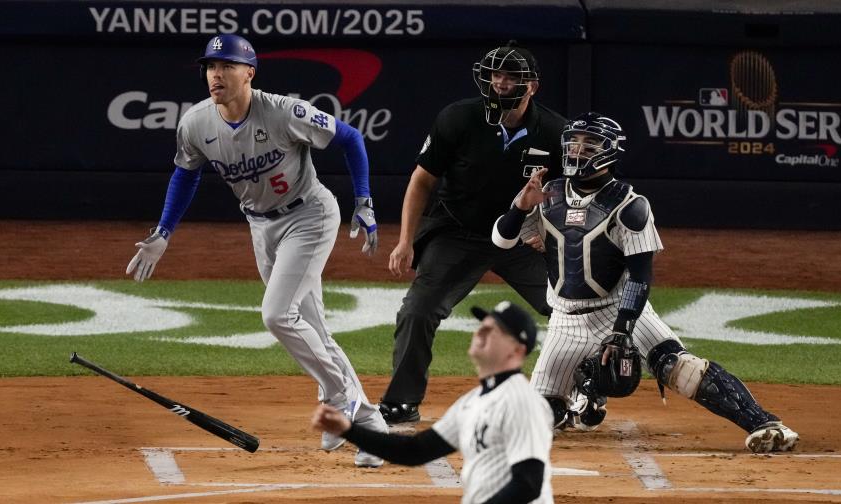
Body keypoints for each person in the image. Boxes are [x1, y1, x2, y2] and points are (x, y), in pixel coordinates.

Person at [124, 34, 387, 467]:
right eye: (210, 67)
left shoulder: (284, 111)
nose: (215, 75)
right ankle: (369, 426)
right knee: (314, 330)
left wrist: (364, 201)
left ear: (249, 72)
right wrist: (163, 231)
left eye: (225, 65)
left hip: (310, 217)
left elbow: (350, 138)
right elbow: (185, 175)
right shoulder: (196, 123)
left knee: (277, 314)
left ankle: (340, 395)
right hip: (261, 228)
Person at [492, 112, 799, 453]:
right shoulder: (546, 194)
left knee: (677, 367)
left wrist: (622, 329)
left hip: (619, 308)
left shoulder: (629, 205)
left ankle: (766, 424)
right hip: (565, 320)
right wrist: (520, 207)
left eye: (589, 144)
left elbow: (640, 274)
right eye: (574, 143)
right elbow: (502, 241)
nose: (578, 151)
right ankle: (586, 390)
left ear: (609, 151)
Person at [380, 41, 568, 424]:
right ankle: (401, 401)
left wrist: (548, 230)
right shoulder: (458, 119)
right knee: (417, 310)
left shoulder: (553, 132)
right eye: (495, 73)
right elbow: (421, 181)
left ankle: (580, 396)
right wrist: (404, 240)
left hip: (518, 237)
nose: (500, 82)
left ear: (532, 85)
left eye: (511, 75)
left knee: (571, 311)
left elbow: (570, 194)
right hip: (458, 232)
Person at [313, 301, 554, 503]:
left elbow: (528, 483)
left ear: (517, 351)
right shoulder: (473, 402)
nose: (481, 332)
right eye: (483, 326)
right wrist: (349, 430)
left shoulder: (523, 401)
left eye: (494, 331)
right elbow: (415, 451)